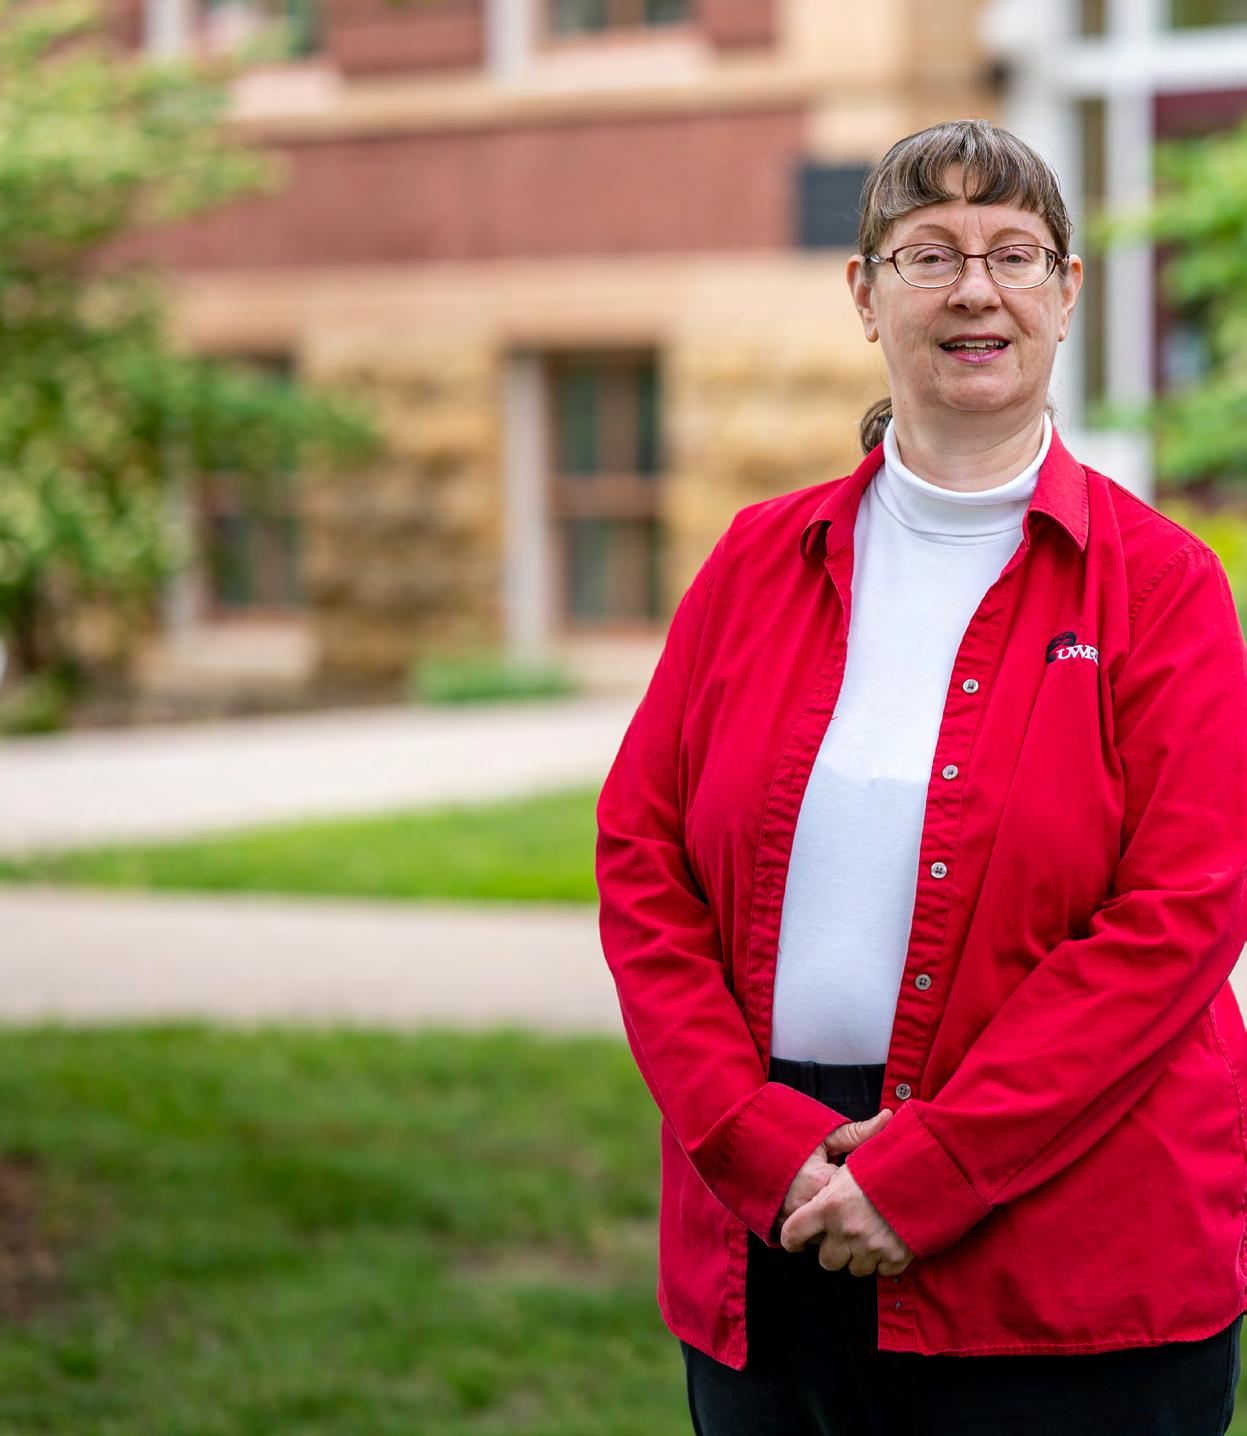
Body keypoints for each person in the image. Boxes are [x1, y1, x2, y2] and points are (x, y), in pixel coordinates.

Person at [595, 118, 1247, 1436]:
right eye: (930, 253)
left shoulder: (1162, 586)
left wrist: (935, 1167)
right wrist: (753, 1142)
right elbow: (642, 865)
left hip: (1072, 1237)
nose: (974, 290)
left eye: (1014, 253)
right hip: (775, 1213)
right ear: (865, 292)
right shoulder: (754, 562)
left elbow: (1180, 915)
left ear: (1067, 292)